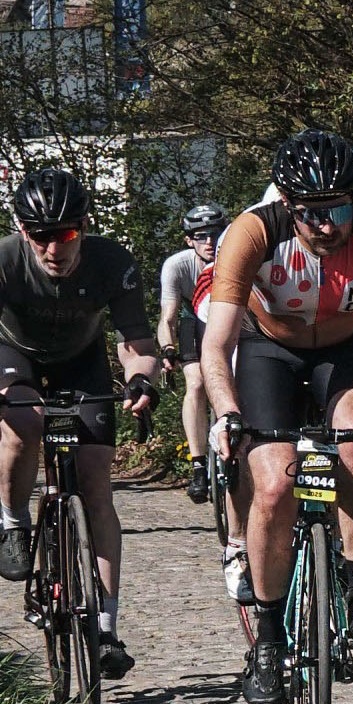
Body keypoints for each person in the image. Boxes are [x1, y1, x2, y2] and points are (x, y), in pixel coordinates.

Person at [202, 130, 353, 704]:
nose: (328, 226)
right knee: (274, 483)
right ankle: (270, 640)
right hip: (268, 350)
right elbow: (217, 340)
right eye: (311, 215)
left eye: (340, 210)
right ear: (286, 205)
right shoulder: (252, 232)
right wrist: (226, 412)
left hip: (349, 351)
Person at [0, 168, 161, 677]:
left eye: (64, 233)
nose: (51, 247)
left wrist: (140, 380)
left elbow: (136, 341)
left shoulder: (112, 262)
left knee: (95, 482)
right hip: (12, 356)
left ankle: (107, 627)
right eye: (38, 234)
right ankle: (16, 522)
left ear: (83, 226)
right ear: (22, 231)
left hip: (80, 360)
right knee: (24, 422)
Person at [160, 201, 225, 497]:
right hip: (193, 318)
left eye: (215, 233)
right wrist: (168, 348)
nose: (209, 241)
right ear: (189, 240)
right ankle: (198, 464)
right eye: (201, 236)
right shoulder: (178, 265)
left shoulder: (235, 256)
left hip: (229, 317)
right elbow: (169, 316)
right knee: (197, 383)